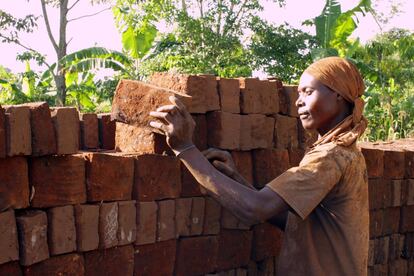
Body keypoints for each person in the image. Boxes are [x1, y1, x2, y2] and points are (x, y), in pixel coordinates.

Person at [149, 56, 369, 276]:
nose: (298, 101)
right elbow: (295, 223)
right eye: (298, 93)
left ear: (338, 95)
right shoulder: (346, 152)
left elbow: (254, 209)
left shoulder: (330, 157)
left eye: (308, 92)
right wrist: (236, 180)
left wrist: (185, 148)